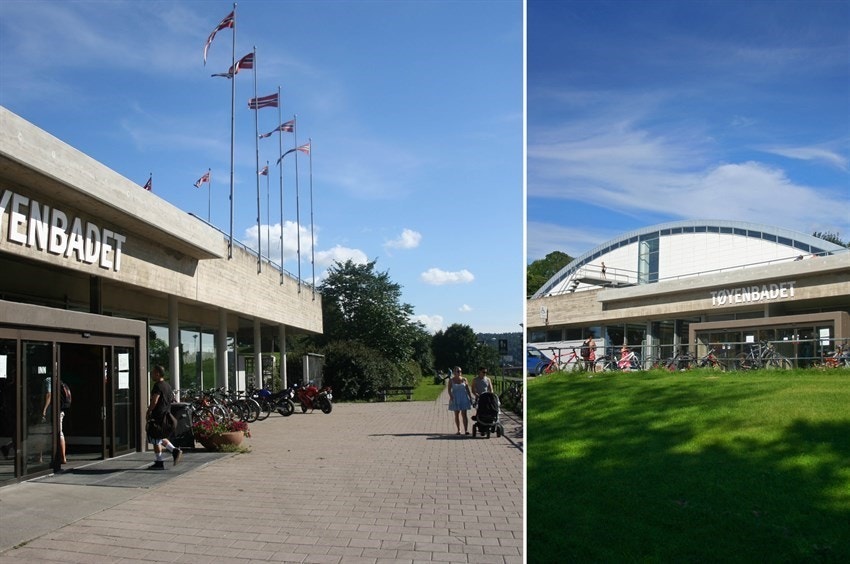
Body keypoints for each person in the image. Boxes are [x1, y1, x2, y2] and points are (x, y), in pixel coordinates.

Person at [146, 365, 182, 470]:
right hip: (166, 415)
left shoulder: (157, 386)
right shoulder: (167, 386)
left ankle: (159, 462)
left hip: (158, 416)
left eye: (153, 372)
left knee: (155, 438)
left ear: (157, 373)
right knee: (160, 436)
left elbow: (155, 400)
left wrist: (149, 411)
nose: (152, 374)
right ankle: (174, 450)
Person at [41, 376, 66, 466]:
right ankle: (62, 457)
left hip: (52, 411)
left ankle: (61, 457)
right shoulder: (59, 380)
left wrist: (44, 410)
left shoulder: (48, 380)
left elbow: (49, 395)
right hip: (60, 410)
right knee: (59, 433)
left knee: (44, 432)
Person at [447, 366, 473, 435]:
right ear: (454, 372)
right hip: (455, 397)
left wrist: (470, 398)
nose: (459, 373)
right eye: (458, 371)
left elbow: (467, 389)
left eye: (460, 371)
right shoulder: (451, 380)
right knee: (457, 414)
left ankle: (466, 430)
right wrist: (451, 396)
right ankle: (459, 430)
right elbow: (449, 390)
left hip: (464, 397)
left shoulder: (464, 379)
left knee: (464, 414)